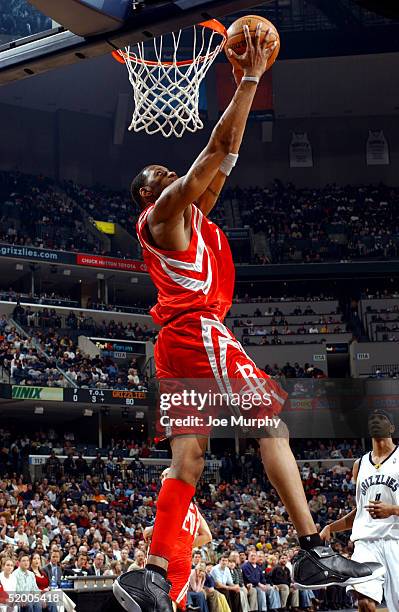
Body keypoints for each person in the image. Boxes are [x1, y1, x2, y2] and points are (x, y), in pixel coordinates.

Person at [113, 24, 383, 612]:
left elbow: (226, 153)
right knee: (274, 426)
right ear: (150, 195)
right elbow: (210, 154)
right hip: (197, 331)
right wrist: (252, 78)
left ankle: (153, 574)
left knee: (188, 458)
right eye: (163, 176)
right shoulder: (165, 215)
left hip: (176, 343)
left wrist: (241, 87)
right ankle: (312, 545)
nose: (173, 176)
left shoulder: (194, 214)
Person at [320, 409, 398, 612]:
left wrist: (392, 509)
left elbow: (389, 510)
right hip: (366, 544)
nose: (375, 421)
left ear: (392, 428)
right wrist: (331, 526)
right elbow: (360, 511)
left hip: (395, 540)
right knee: (364, 601)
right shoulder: (359, 464)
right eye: (371, 419)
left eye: (382, 418)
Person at [142, 468, 212, 611]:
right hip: (182, 559)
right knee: (170, 600)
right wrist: (184, 544)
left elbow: (161, 527)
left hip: (163, 555)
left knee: (157, 599)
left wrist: (149, 530)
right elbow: (207, 536)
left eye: (166, 475)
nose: (163, 478)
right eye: (161, 476)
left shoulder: (169, 497)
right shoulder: (193, 508)